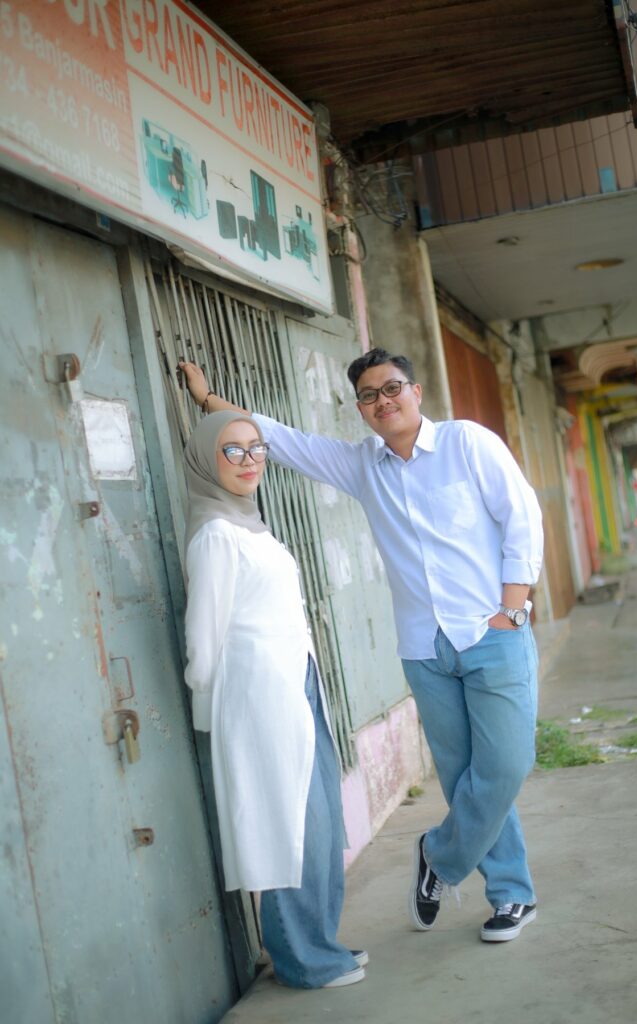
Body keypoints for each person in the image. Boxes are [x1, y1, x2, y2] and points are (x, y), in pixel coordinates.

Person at [179, 347, 543, 944]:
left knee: (505, 766)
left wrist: (512, 607)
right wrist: (207, 400)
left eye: (392, 388)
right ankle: (510, 893)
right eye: (369, 395)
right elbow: (281, 439)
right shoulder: (361, 466)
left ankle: (439, 856)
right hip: (424, 650)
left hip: (492, 633)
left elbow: (521, 517)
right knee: (463, 777)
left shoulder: (468, 443)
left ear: (415, 392)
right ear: (361, 409)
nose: (383, 401)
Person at [183, 409, 366, 988]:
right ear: (207, 459)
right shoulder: (215, 534)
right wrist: (211, 708)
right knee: (289, 828)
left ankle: (322, 943)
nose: (250, 460)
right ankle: (303, 961)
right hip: (259, 697)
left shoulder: (252, 524)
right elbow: (203, 639)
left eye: (257, 448)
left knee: (322, 822)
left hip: (297, 683)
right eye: (233, 450)